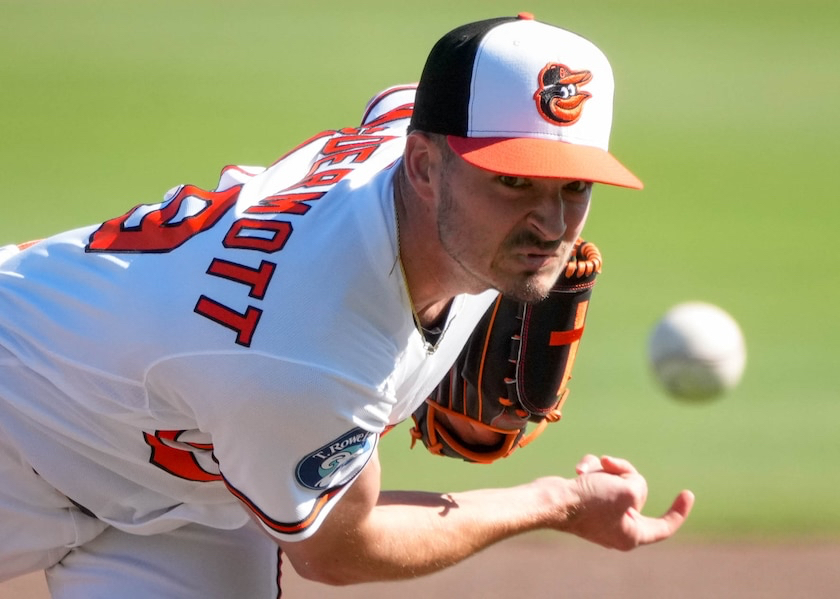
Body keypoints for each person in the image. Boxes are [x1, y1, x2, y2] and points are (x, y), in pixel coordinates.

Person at [0, 13, 694, 597]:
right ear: (423, 166)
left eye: (574, 187)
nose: (551, 224)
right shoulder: (308, 351)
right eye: (514, 181)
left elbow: (398, 101)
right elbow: (340, 548)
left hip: (187, 489)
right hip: (18, 417)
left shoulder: (414, 142)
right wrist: (555, 502)